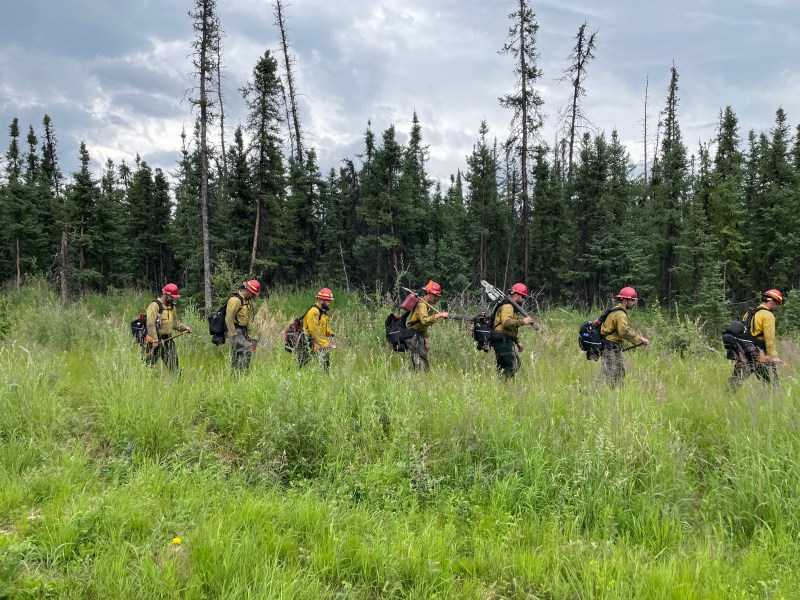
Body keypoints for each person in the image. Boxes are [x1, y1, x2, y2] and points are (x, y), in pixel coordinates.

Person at [728, 289, 784, 391]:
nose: (777, 306)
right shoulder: (768, 315)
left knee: (733, 384)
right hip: (761, 355)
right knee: (773, 387)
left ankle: (724, 401)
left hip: (746, 353)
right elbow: (769, 338)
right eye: (777, 303)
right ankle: (773, 405)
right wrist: (773, 356)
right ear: (772, 301)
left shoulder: (749, 313)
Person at [599, 286, 651, 387]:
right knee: (607, 376)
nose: (634, 303)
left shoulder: (615, 310)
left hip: (610, 346)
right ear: (624, 300)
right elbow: (624, 331)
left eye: (634, 300)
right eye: (632, 300)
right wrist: (640, 338)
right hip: (610, 347)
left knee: (619, 374)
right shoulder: (620, 314)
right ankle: (586, 393)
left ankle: (617, 396)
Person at [145, 283, 192, 371]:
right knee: (147, 366)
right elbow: (150, 324)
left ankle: (178, 382)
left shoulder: (172, 307)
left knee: (174, 365)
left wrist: (185, 328)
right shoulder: (154, 306)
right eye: (172, 297)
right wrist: (154, 341)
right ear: (166, 294)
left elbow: (174, 323)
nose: (173, 299)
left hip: (168, 340)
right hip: (154, 341)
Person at [492, 283, 535, 378]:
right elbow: (506, 323)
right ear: (516, 295)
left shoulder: (511, 307)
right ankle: (504, 386)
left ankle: (501, 386)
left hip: (504, 340)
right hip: (502, 341)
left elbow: (510, 330)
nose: (523, 299)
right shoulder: (508, 306)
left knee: (507, 366)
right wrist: (523, 321)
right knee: (512, 366)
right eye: (522, 296)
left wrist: (517, 342)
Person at [406, 280, 449, 372]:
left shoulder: (425, 305)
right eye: (435, 295)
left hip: (418, 335)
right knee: (420, 362)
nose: (436, 298)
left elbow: (422, 325)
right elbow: (425, 321)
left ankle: (411, 379)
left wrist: (425, 339)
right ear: (429, 293)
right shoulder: (421, 305)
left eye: (437, 296)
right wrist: (439, 315)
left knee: (418, 361)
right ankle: (414, 380)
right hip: (414, 336)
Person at [225, 279, 260, 374]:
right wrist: (233, 335)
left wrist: (248, 334)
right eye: (252, 294)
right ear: (248, 291)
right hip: (235, 332)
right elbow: (229, 318)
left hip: (241, 332)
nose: (253, 296)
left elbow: (245, 319)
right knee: (247, 350)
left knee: (237, 355)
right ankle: (241, 375)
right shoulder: (235, 300)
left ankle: (235, 378)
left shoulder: (245, 301)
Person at [298, 287, 337, 372]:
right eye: (328, 301)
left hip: (315, 343)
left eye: (330, 301)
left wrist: (330, 333)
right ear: (321, 300)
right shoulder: (314, 312)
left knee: (324, 361)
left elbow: (322, 327)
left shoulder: (322, 312)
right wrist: (326, 344)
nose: (330, 303)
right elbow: (314, 332)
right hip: (307, 343)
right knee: (300, 366)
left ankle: (325, 377)